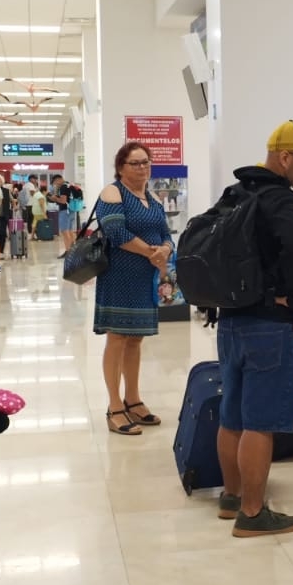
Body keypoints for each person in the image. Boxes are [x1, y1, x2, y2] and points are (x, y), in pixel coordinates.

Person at [214, 121, 293, 537]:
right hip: (269, 324)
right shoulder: (281, 199)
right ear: (285, 158)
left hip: (230, 319)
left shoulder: (236, 192)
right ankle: (252, 513)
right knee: (260, 422)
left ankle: (231, 498)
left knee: (232, 415)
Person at [95, 142, 173, 436]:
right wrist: (150, 253)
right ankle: (114, 406)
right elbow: (115, 232)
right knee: (117, 338)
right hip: (119, 275)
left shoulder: (152, 196)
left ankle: (133, 398)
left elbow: (166, 233)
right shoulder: (112, 192)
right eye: (136, 163)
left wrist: (164, 249)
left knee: (136, 340)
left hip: (145, 278)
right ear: (121, 167)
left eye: (146, 162)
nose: (143, 168)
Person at [50, 174, 75, 256]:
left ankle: (68, 251)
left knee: (65, 232)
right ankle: (73, 251)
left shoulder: (63, 187)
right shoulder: (69, 185)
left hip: (64, 211)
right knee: (70, 231)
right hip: (71, 211)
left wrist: (55, 198)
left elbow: (63, 201)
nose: (56, 185)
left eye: (55, 183)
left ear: (58, 180)